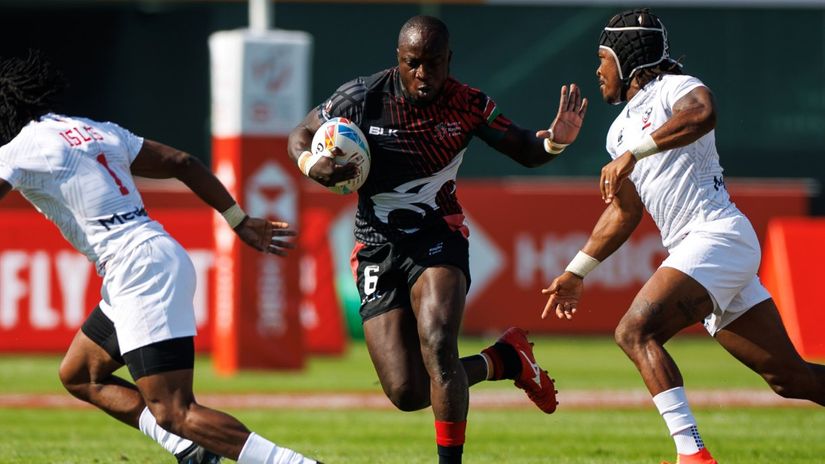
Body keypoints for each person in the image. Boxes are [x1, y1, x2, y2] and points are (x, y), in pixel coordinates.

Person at [288, 15, 587, 464]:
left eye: (433, 63)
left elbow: (523, 146)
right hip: (376, 246)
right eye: (413, 64)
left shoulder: (468, 104)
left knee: (438, 342)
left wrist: (554, 144)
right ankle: (504, 359)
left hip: (437, 237)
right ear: (398, 60)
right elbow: (301, 134)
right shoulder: (362, 97)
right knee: (407, 391)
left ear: (449, 60)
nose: (423, 74)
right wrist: (313, 165)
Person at [0, 51, 320, 464]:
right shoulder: (99, 130)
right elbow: (183, 162)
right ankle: (191, 449)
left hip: (137, 269)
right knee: (80, 374)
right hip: (154, 254)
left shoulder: (19, 148)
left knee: (174, 410)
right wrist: (237, 219)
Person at [541, 8, 825, 464]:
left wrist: (636, 152)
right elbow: (625, 213)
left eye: (603, 58)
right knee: (792, 380)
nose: (597, 70)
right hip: (706, 250)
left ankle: (692, 455)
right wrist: (576, 271)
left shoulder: (675, 88)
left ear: (627, 58)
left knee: (634, 331)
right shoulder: (617, 133)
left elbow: (703, 113)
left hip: (717, 236)